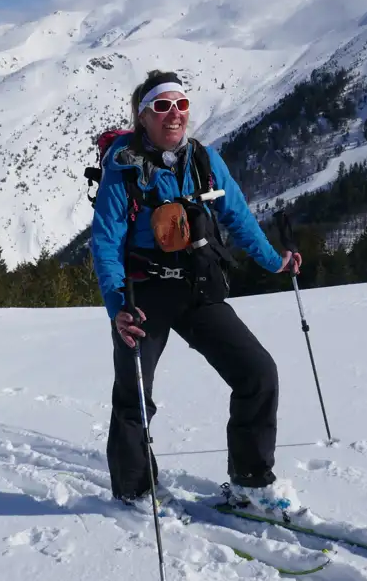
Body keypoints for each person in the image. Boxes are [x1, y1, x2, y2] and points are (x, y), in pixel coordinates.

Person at [90, 70, 303, 512]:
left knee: (257, 373)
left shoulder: (204, 160)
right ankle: (134, 489)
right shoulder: (123, 167)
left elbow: (238, 216)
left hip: (197, 286)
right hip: (142, 295)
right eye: (162, 106)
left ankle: (250, 481)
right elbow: (106, 243)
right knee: (133, 391)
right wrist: (117, 308)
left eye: (181, 105)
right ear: (142, 116)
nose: (174, 115)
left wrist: (274, 260)